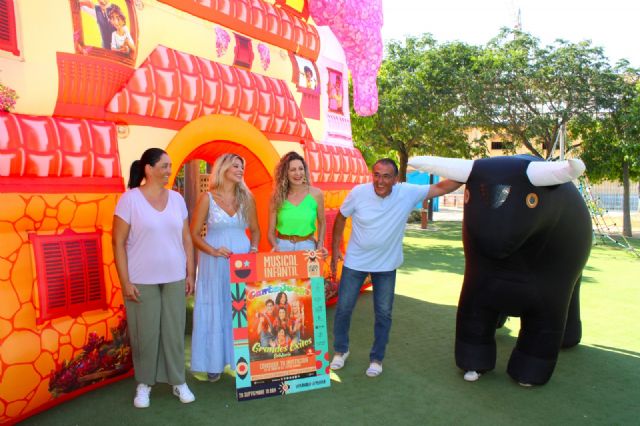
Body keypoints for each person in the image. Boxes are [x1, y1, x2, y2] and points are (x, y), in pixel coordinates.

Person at [329, 158, 463, 377]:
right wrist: (336, 249)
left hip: (386, 265)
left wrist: (467, 173)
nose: (379, 181)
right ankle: (340, 351)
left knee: (383, 313)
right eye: (376, 175)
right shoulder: (358, 192)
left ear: (396, 179)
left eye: (386, 176)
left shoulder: (407, 192)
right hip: (355, 262)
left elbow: (441, 187)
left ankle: (376, 358)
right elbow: (341, 217)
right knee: (344, 308)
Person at [112, 148, 195, 408]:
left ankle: (178, 381)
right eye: (164, 166)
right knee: (144, 333)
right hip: (140, 280)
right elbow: (117, 242)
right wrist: (125, 281)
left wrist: (190, 272)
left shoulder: (178, 199)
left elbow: (186, 239)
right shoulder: (129, 200)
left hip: (174, 275)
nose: (169, 171)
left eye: (171, 166)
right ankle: (144, 383)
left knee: (173, 331)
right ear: (148, 169)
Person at [190, 153, 260, 383]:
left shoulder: (248, 198)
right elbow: (193, 234)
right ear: (223, 168)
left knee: (240, 309)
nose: (241, 170)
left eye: (242, 167)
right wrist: (212, 251)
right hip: (213, 262)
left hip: (241, 263)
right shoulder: (207, 198)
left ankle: (242, 360)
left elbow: (256, 230)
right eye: (236, 166)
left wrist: (253, 250)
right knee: (214, 307)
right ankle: (213, 363)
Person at [268, 151, 327, 255]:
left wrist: (320, 245)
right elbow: (270, 232)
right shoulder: (276, 197)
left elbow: (322, 222)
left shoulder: (316, 194)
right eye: (293, 170)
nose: (298, 173)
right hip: (282, 246)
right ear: (285, 173)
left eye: (301, 168)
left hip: (308, 247)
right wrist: (275, 247)